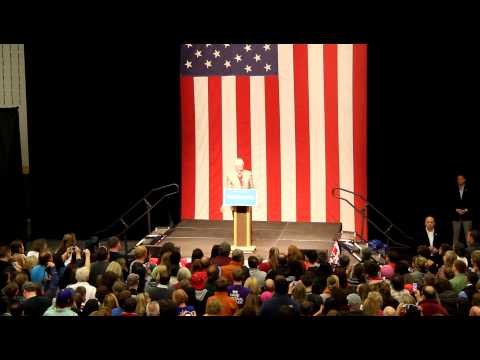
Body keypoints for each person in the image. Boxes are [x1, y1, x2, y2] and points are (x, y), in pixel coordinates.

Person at [451, 174, 473, 244]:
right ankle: (454, 254)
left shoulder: (470, 189)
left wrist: (466, 210)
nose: (459, 180)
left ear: (464, 180)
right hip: (456, 216)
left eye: (461, 179)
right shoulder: (453, 189)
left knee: (468, 236)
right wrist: (456, 209)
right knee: (455, 236)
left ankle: (470, 253)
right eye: (458, 179)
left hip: (467, 216)